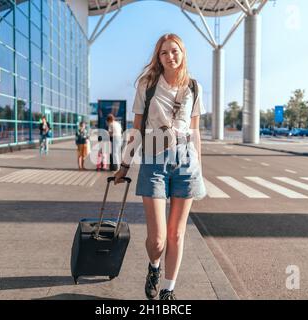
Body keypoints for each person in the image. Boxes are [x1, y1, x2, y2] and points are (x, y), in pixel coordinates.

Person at [114, 34, 206, 300]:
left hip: (186, 162)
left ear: (182, 53)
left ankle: (168, 289)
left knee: (177, 235)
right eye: (164, 52)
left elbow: (195, 131)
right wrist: (124, 164)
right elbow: (136, 127)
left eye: (174, 51)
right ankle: (154, 266)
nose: (170, 56)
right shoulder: (147, 85)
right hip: (153, 160)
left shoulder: (194, 88)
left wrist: (199, 166)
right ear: (158, 57)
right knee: (157, 240)